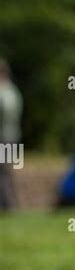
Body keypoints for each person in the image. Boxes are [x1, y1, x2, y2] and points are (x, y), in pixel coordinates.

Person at [0, 58, 23, 210]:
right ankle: (11, 206)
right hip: (14, 136)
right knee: (6, 174)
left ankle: (8, 206)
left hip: (3, 138)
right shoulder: (14, 91)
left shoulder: (3, 93)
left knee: (3, 174)